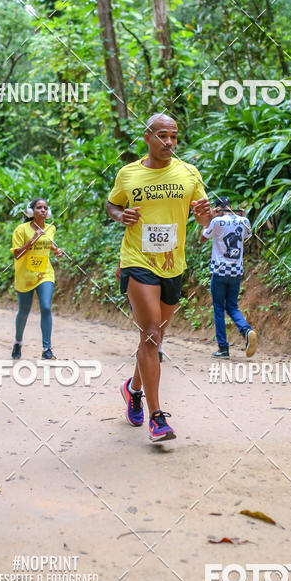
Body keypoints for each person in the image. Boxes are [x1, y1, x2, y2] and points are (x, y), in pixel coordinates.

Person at [107, 113, 211, 443]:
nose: (169, 142)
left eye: (174, 136)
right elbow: (112, 205)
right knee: (151, 334)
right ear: (147, 137)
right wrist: (121, 215)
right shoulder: (128, 174)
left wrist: (205, 216)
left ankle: (132, 389)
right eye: (162, 135)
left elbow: (204, 218)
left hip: (173, 264)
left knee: (154, 339)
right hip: (137, 260)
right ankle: (156, 418)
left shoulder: (189, 173)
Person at [201, 195, 257, 359]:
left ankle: (223, 348)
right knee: (232, 306)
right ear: (231, 207)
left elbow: (203, 238)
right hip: (236, 272)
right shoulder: (243, 221)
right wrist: (242, 216)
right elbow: (246, 237)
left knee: (219, 308)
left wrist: (210, 219)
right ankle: (246, 330)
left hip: (219, 272)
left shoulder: (217, 222)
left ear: (218, 208)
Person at [10, 198, 63, 360]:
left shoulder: (51, 228)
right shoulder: (21, 230)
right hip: (25, 275)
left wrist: (56, 250)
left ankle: (47, 349)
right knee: (24, 312)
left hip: (44, 273)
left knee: (46, 307)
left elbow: (47, 244)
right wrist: (33, 239)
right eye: (39, 208)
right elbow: (17, 254)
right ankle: (18, 342)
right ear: (31, 211)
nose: (43, 210)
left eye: (45, 208)